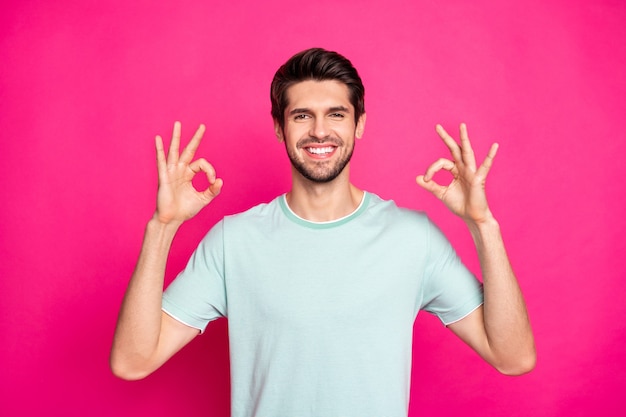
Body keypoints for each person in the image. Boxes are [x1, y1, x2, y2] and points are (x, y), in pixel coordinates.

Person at [110, 48, 535, 416]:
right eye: (302, 115)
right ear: (280, 127)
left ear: (359, 124)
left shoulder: (413, 238)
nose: (319, 130)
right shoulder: (233, 242)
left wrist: (483, 226)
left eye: (336, 114)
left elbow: (512, 357)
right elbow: (133, 361)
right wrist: (162, 227)